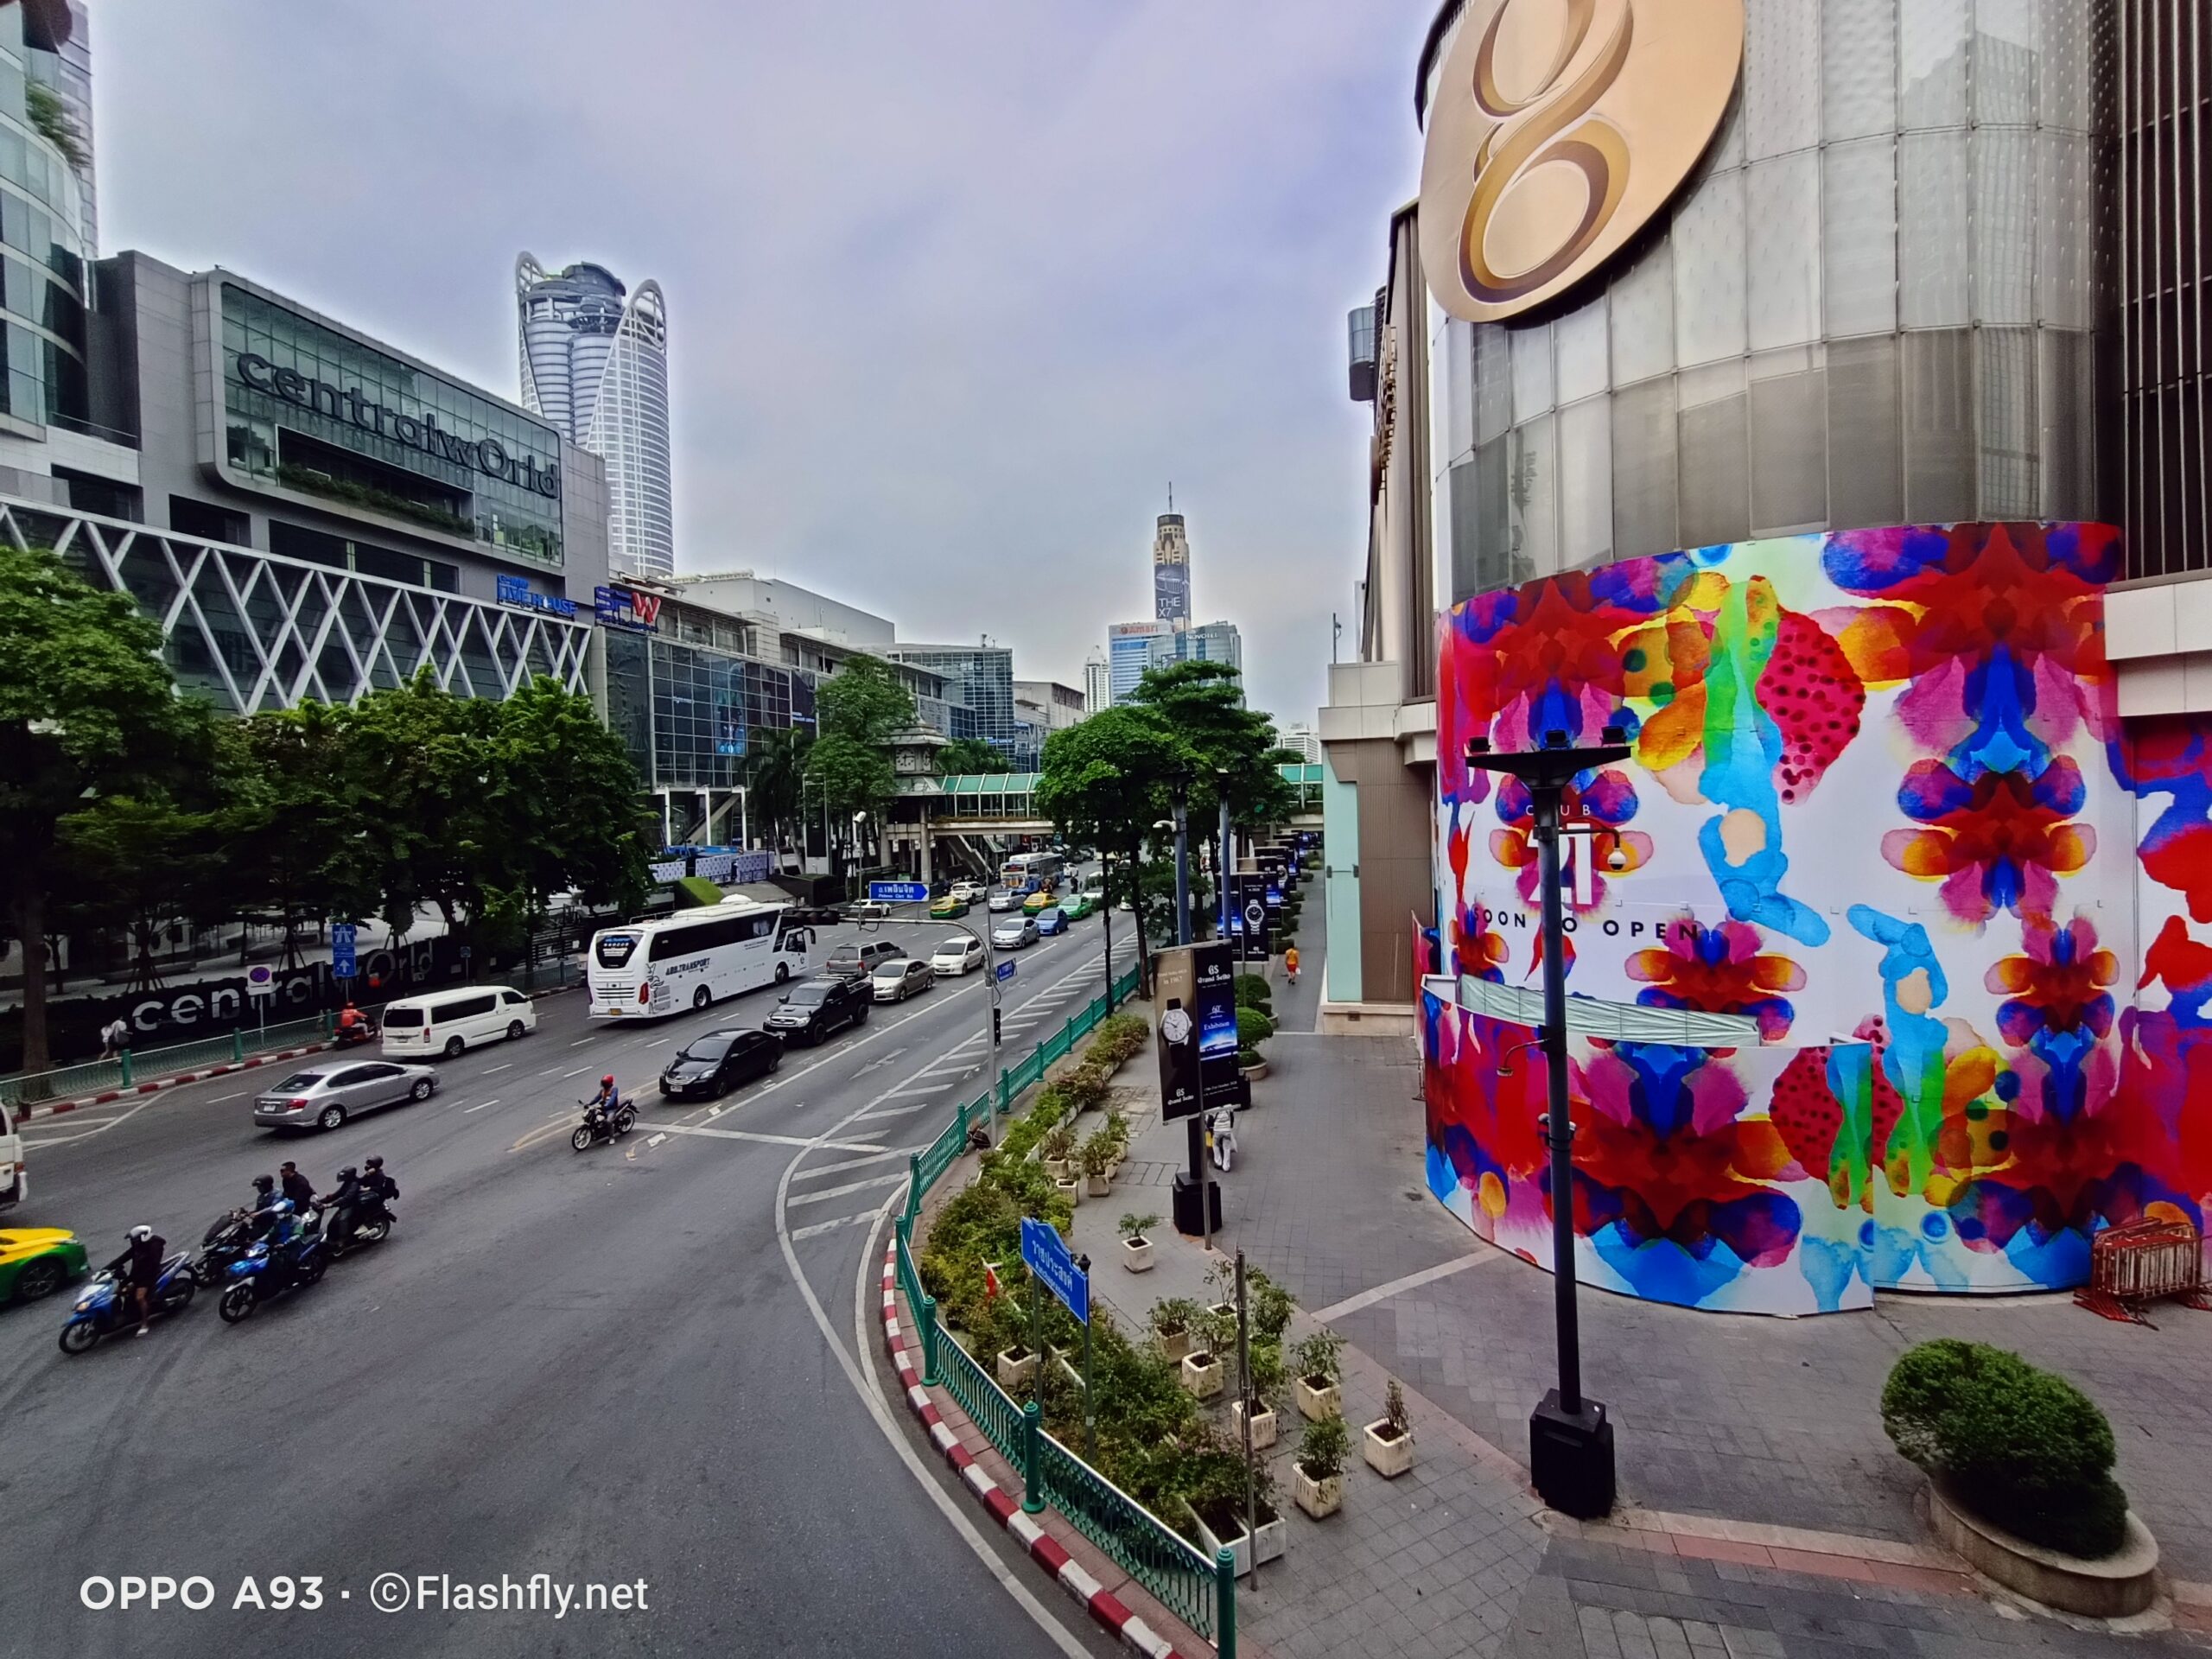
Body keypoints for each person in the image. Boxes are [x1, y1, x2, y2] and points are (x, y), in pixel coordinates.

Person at [105, 1224, 166, 1336]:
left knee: (140, 1297)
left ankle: (144, 1324)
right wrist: (104, 1270)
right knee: (118, 1291)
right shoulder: (138, 1247)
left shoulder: (154, 1246)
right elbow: (122, 1258)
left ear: (143, 1237)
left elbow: (153, 1265)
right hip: (136, 1275)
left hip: (149, 1275)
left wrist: (133, 1280)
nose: (132, 1242)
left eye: (134, 1240)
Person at [320, 1166, 363, 1246]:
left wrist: (331, 1204)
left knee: (343, 1219)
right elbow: (337, 1194)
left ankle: (344, 1238)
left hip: (352, 1205)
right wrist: (321, 1201)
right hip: (346, 1205)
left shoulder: (354, 1184)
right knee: (332, 1223)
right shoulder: (347, 1183)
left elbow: (347, 1198)